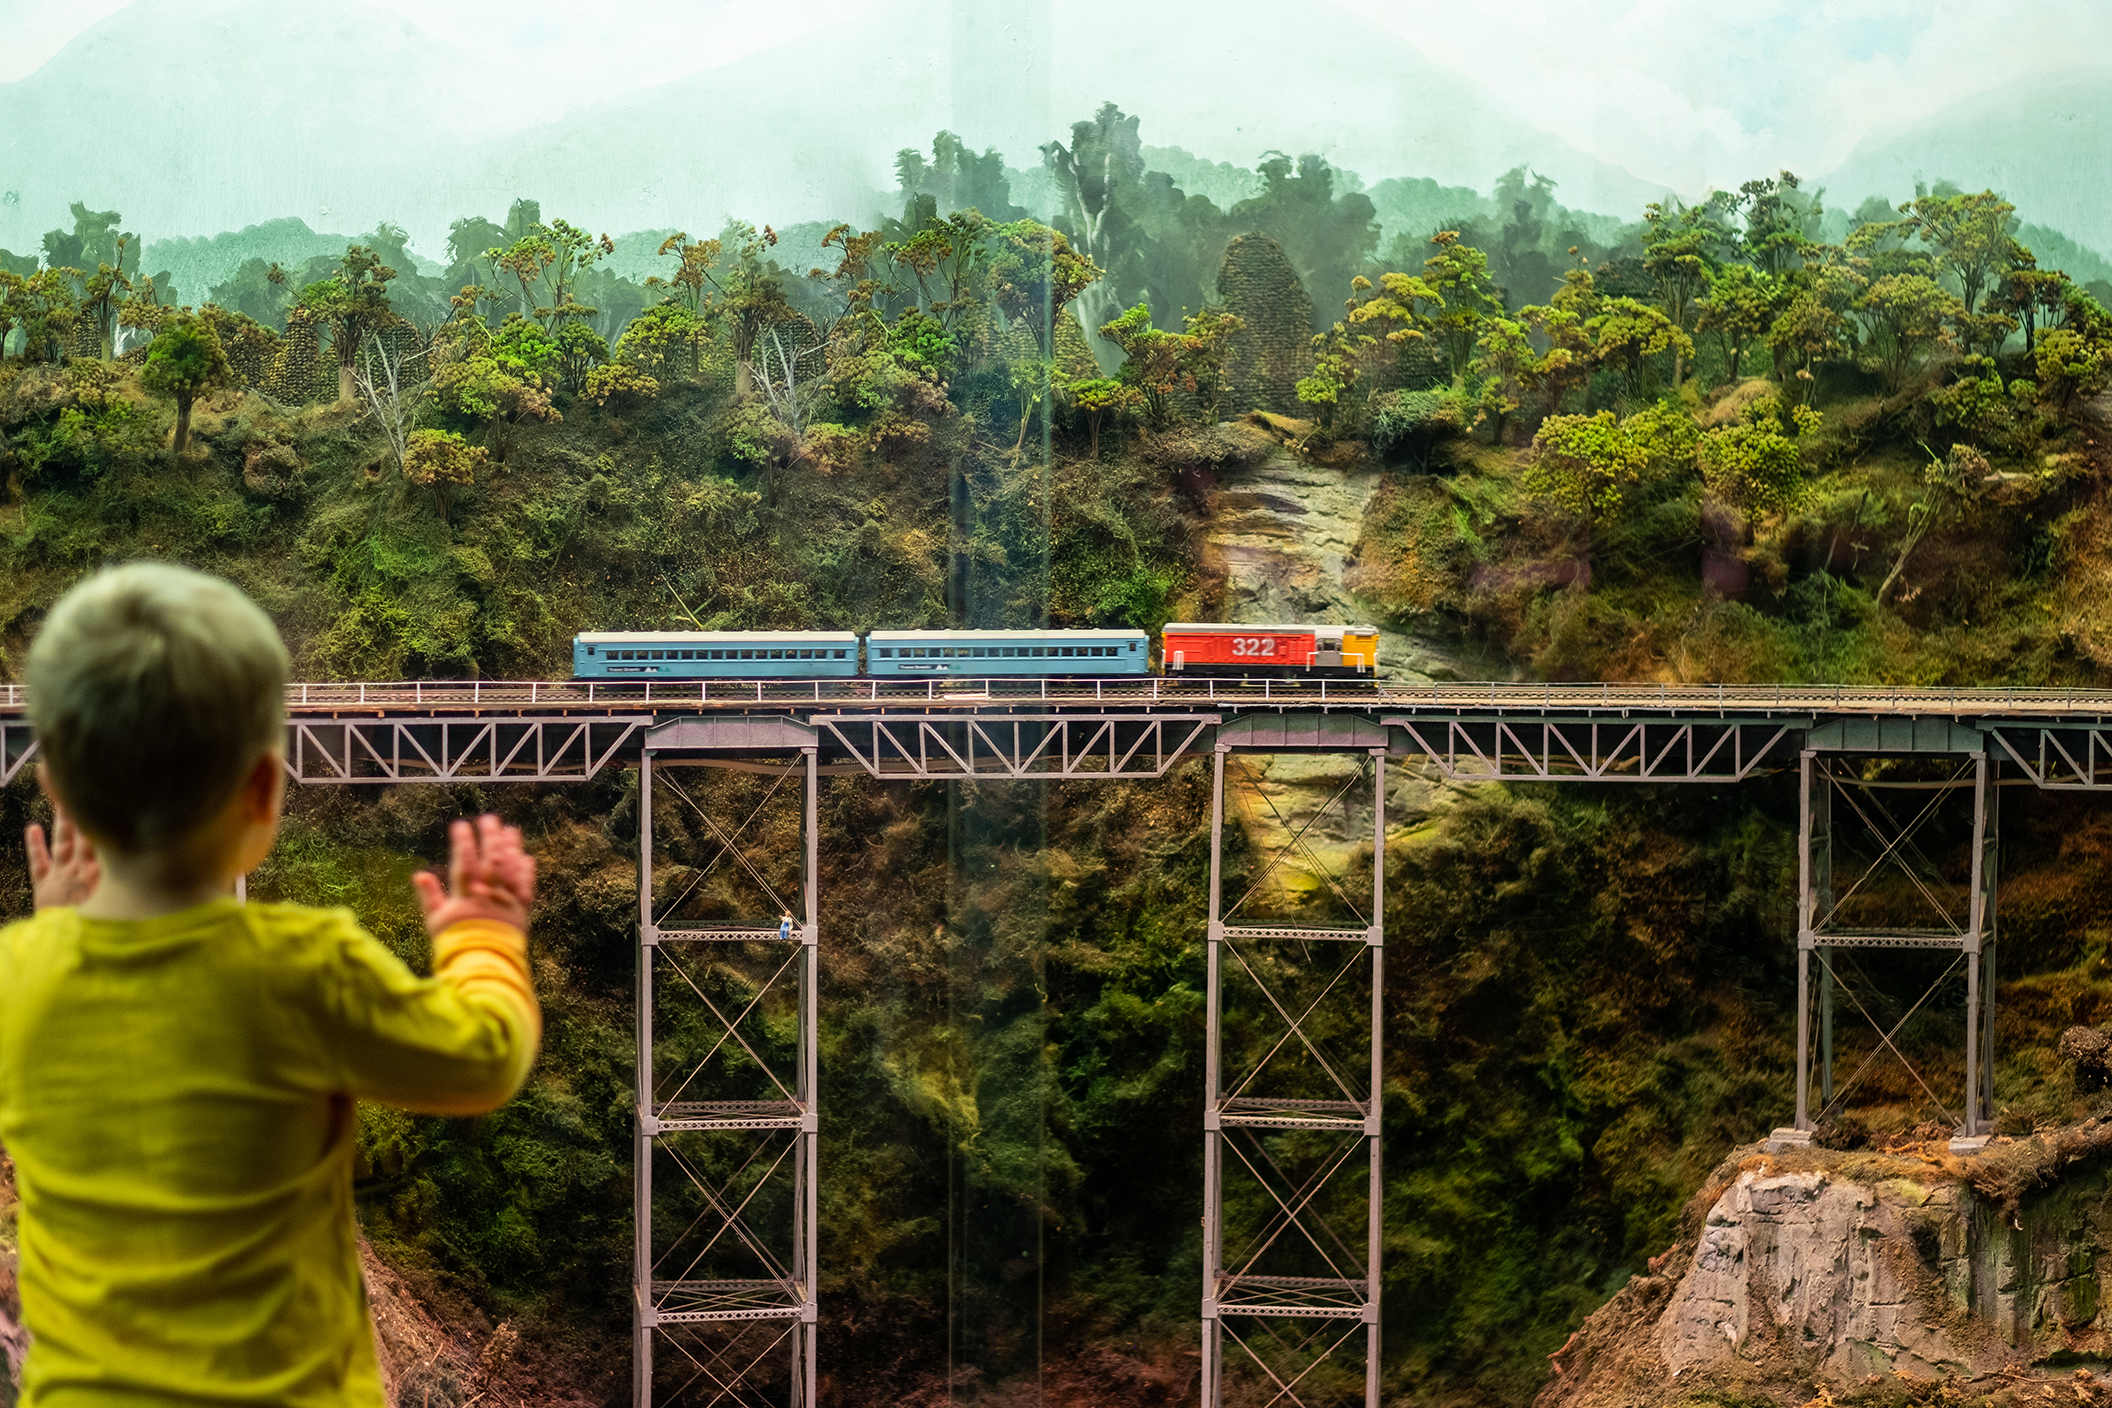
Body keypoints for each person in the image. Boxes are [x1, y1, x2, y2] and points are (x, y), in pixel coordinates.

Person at [0, 563, 542, 1408]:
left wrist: (55, 927)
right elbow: (484, 1059)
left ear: (56, 787)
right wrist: (484, 935)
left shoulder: (15, 976)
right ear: (264, 787)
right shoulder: (302, 970)